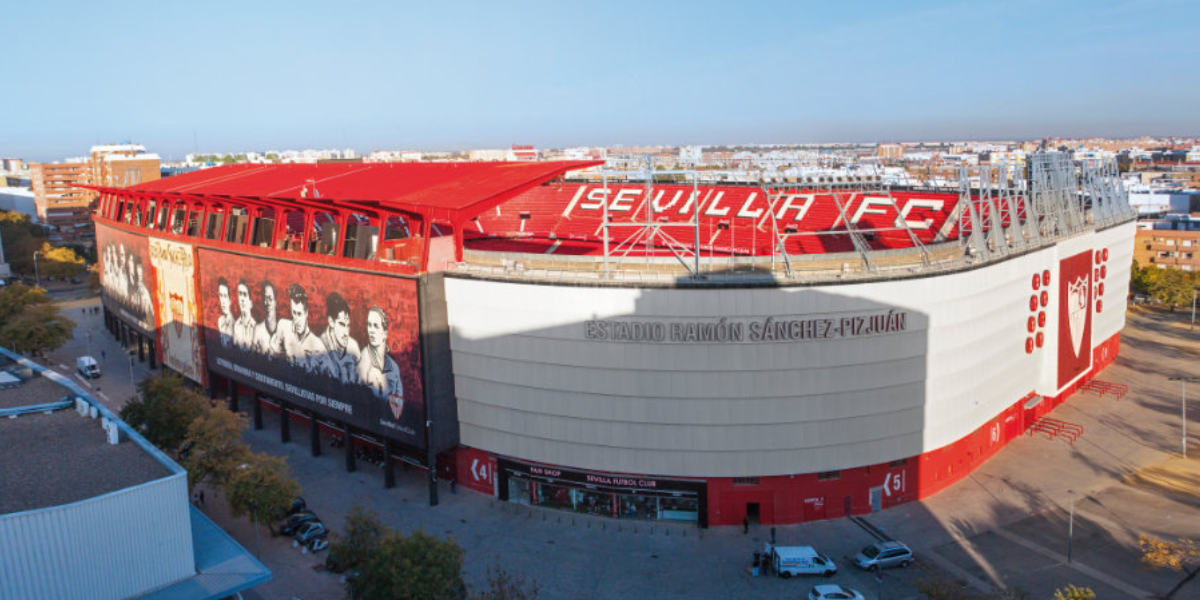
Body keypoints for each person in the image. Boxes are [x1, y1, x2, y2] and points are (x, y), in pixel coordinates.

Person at [270, 283, 328, 372]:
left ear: (306, 313)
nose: (296, 320)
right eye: (294, 313)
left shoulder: (318, 347)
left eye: (299, 314)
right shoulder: (283, 327)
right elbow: (273, 358)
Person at [358, 306, 403, 417]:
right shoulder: (363, 359)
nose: (371, 330)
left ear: (385, 333)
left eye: (376, 326)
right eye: (369, 325)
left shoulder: (393, 367)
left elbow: (397, 412)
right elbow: (358, 402)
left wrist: (382, 390)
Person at [318, 292, 361, 383]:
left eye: (347, 325)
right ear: (331, 322)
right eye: (341, 324)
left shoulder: (353, 347)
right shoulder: (320, 346)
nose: (346, 332)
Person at [252, 280, 279, 355]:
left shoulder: (284, 330)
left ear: (275, 301)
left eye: (270, 298)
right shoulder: (257, 329)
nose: (267, 302)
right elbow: (252, 358)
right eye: (265, 298)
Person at [232, 279, 258, 350]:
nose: (242, 299)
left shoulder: (256, 327)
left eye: (245, 295)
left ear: (251, 303)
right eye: (240, 294)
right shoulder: (236, 325)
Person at [216, 277, 234, 347]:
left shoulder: (234, 323)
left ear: (230, 299)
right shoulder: (220, 320)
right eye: (221, 295)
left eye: (225, 296)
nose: (222, 301)